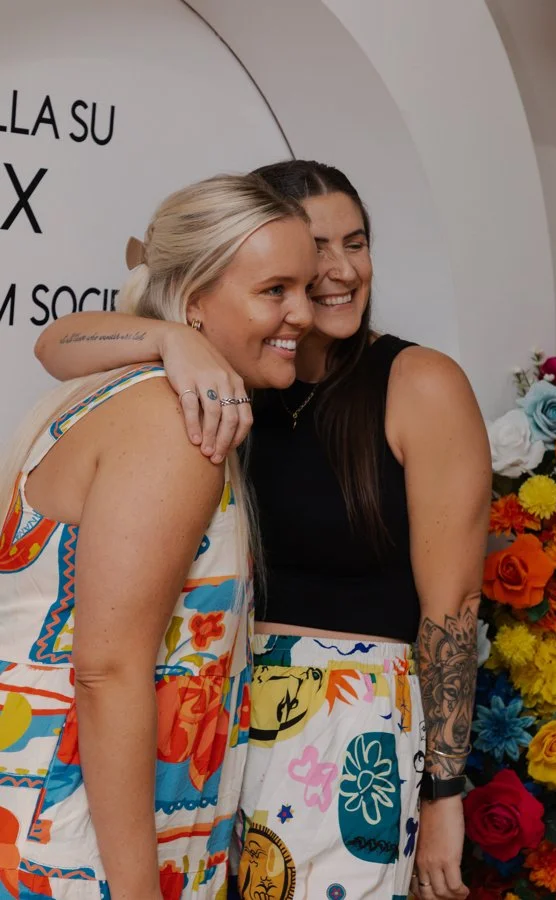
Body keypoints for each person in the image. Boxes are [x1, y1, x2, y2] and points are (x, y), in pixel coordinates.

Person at [35, 160, 492, 900]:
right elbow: (56, 344)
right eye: (314, 252)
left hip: (348, 731)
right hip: (216, 716)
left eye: (357, 242)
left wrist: (444, 793)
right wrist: (172, 341)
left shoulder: (418, 381)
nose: (340, 270)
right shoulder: (232, 372)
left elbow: (454, 608)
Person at [0, 173, 317, 900]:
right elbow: (107, 674)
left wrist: (171, 336)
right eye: (274, 290)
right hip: (77, 842)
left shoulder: (127, 389)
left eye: (306, 286)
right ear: (195, 300)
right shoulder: (173, 423)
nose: (303, 313)